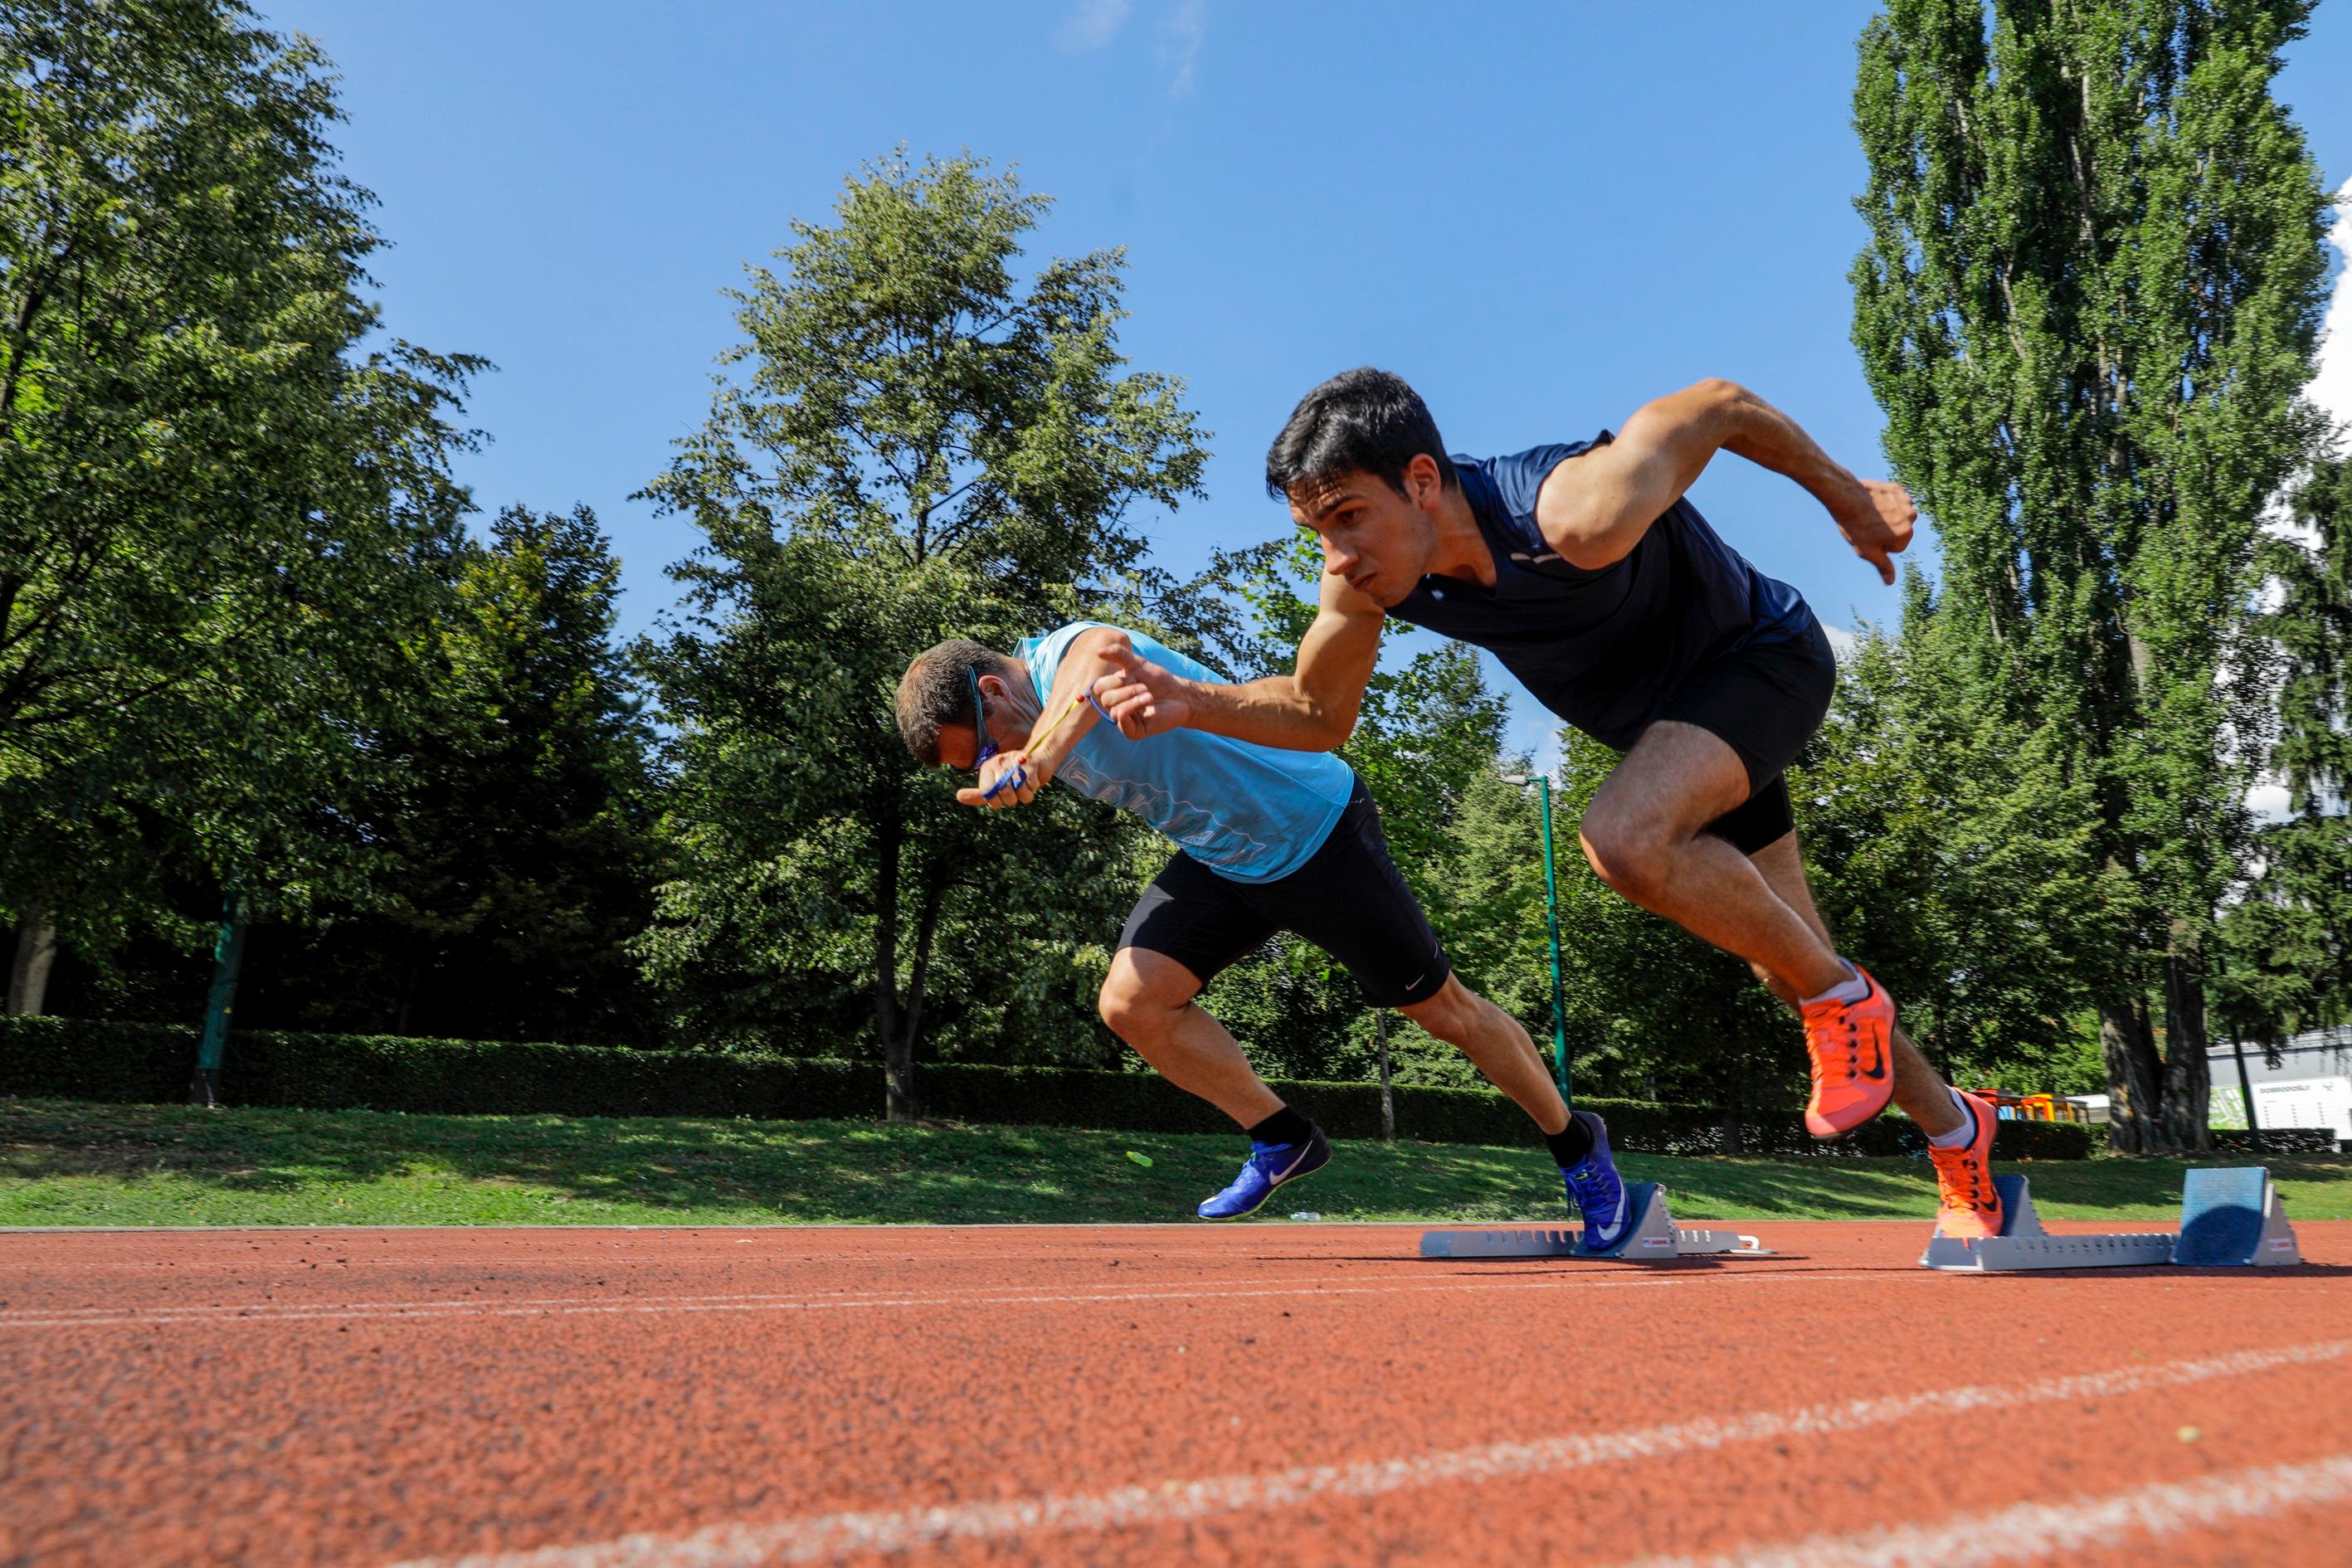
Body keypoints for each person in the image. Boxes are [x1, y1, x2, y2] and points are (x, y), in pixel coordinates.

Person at [1092, 368, 2007, 1239]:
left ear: (1421, 481)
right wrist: (1193, 702)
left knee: (1624, 840)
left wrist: (1848, 496)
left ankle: (1844, 1000)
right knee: (1790, 963)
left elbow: (1717, 406)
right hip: (1671, 741)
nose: (1337, 556)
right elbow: (1318, 713)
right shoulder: (1364, 584)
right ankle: (1958, 1132)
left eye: (1348, 518)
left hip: (1759, 666)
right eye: (1317, 533)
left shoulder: (1570, 512)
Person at [894, 621, 1634, 1243]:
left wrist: (1036, 755)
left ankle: (1578, 1147)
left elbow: (1103, 651)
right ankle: (1282, 1136)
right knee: (1131, 1004)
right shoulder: (1023, 723)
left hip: (1317, 835)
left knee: (1444, 1014)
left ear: (993, 689)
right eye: (982, 765)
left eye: (987, 749)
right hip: (1223, 859)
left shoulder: (1064, 655)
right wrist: (1026, 755)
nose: (995, 767)